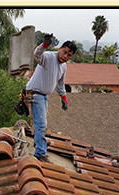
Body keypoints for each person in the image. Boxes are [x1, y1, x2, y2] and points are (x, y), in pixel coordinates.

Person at [26, 34, 76, 162]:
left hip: (44, 96)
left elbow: (60, 84)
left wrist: (63, 98)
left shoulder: (64, 66)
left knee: (40, 124)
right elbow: (37, 54)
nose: (65, 57)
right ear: (60, 48)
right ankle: (40, 154)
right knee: (41, 124)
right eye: (65, 52)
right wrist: (45, 45)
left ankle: (39, 145)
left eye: (69, 55)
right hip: (35, 94)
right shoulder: (48, 57)